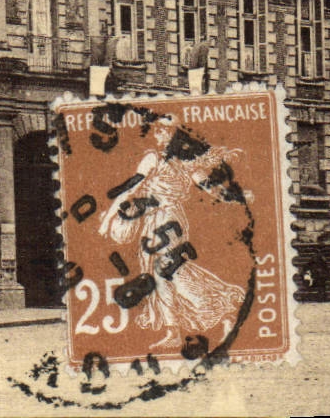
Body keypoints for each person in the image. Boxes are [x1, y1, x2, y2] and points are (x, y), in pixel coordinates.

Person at [96, 116, 244, 349]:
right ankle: (174, 329)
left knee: (170, 271)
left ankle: (223, 307)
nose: (156, 136)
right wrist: (234, 198)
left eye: (161, 132)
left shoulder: (156, 159)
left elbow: (131, 187)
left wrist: (107, 220)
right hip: (163, 221)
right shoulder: (180, 162)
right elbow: (211, 188)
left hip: (166, 221)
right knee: (160, 275)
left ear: (173, 136)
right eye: (156, 131)